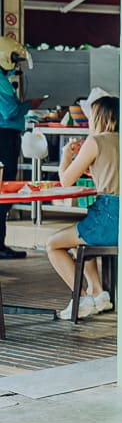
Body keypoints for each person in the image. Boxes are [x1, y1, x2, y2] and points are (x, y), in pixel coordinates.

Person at [46, 94, 119, 319]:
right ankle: (99, 293)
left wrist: (66, 156)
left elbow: (66, 180)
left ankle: (82, 298)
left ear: (99, 117)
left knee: (53, 245)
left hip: (107, 216)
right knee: (78, 243)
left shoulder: (95, 141)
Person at [0, 37, 31, 260]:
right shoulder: (0, 81)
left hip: (6, 137)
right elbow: (9, 112)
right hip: (5, 138)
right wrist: (29, 105)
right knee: (4, 189)